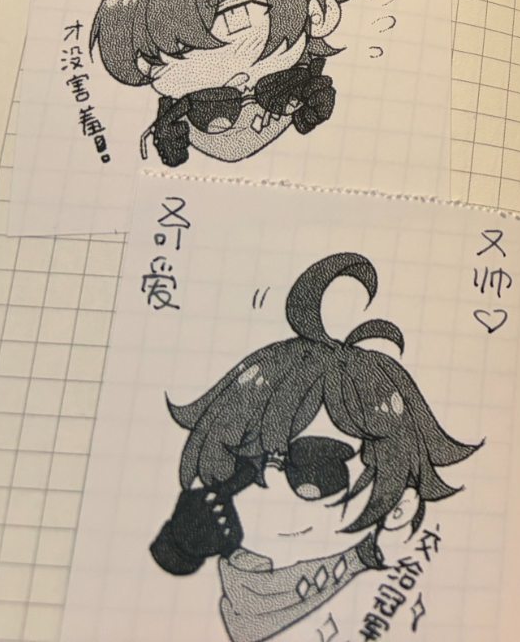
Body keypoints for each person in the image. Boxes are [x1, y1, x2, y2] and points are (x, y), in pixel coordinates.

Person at [149, 252, 479, 642]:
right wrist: (181, 544)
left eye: (317, 469)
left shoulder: (389, 601)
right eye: (243, 461)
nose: (262, 479)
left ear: (399, 506)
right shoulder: (243, 591)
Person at [89, 0, 363, 167]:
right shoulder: (178, 120)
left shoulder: (312, 96)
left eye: (235, 16)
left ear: (318, 15)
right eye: (167, 52)